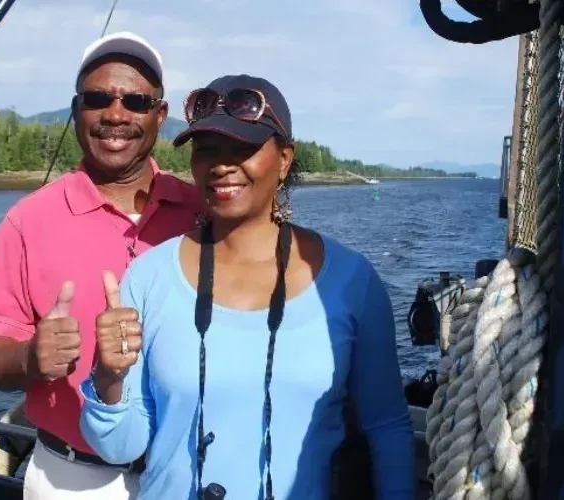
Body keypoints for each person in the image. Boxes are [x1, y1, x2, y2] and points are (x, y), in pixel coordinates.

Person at [79, 74, 415, 500]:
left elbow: (387, 427)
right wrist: (109, 379)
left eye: (243, 149)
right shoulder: (149, 277)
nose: (221, 165)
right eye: (207, 150)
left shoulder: (351, 281)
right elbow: (119, 447)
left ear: (285, 159)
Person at [0, 31, 201, 499]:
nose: (116, 115)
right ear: (76, 110)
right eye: (97, 99)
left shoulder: (202, 213)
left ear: (159, 115)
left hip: (188, 472)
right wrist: (29, 358)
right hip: (73, 479)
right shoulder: (27, 220)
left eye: (136, 101)